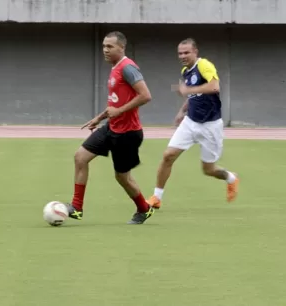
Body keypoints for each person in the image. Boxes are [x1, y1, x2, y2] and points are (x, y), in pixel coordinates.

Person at [66, 31, 155, 225]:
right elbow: (115, 102)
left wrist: (119, 111)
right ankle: (77, 207)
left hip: (128, 133)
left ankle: (144, 208)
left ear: (121, 48)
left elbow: (146, 96)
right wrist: (99, 118)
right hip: (111, 127)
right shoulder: (115, 68)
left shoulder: (128, 68)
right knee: (80, 157)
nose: (105, 50)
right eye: (104, 46)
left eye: (110, 47)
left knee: (122, 177)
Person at [146, 38, 239, 209]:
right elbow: (194, 97)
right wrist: (183, 110)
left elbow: (214, 87)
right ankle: (156, 197)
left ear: (195, 52)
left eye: (186, 52)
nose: (183, 56)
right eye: (180, 53)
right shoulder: (185, 71)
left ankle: (231, 178)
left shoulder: (204, 65)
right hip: (190, 122)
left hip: (210, 125)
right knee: (168, 156)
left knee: (208, 170)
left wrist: (188, 90)